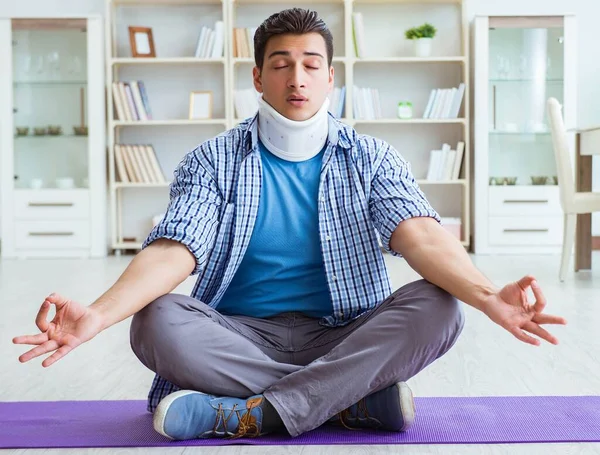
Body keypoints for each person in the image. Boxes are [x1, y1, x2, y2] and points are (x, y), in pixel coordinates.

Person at [13, 7, 567, 442]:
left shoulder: (372, 158)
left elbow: (419, 234)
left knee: (440, 306)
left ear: (330, 78)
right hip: (240, 335)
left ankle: (242, 416)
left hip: (344, 332)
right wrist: (101, 313)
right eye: (280, 63)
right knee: (155, 320)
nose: (295, 78)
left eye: (309, 64)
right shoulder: (212, 160)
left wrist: (489, 295)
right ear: (258, 76)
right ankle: (346, 402)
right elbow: (175, 249)